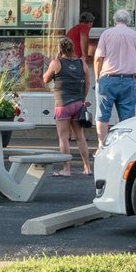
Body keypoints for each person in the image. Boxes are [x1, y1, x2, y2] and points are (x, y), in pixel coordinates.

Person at [93, 8, 136, 145]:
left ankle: (102, 145)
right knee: (127, 117)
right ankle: (122, 146)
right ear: (129, 21)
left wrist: (97, 77)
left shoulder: (106, 34)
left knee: (102, 115)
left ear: (114, 20)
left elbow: (98, 58)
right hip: (129, 80)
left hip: (107, 78)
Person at [42, 37, 91, 177]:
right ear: (73, 49)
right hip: (78, 103)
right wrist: (82, 98)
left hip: (62, 104)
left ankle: (66, 169)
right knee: (80, 137)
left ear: (60, 49)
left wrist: (53, 62)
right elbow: (87, 83)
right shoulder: (82, 63)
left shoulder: (56, 63)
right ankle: (87, 167)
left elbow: (45, 79)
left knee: (63, 138)